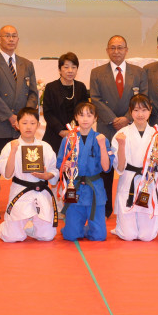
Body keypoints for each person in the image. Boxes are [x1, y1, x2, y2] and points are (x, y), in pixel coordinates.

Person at [0, 25, 38, 217]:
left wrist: (24, 119)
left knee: (26, 167)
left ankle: (27, 206)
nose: (11, 39)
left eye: (14, 36)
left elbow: (33, 93)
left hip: (23, 127)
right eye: (7, 36)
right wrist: (12, 117)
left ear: (18, 39)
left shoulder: (26, 64)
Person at [89, 35, 148, 217]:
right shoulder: (97, 72)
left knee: (132, 165)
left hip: (132, 126)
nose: (116, 51)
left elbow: (143, 98)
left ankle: (134, 203)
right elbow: (95, 99)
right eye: (112, 48)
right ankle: (106, 207)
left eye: (120, 47)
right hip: (107, 126)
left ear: (126, 50)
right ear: (107, 50)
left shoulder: (138, 72)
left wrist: (127, 118)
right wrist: (113, 119)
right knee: (106, 169)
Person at [111, 95, 158, 242]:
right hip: (129, 182)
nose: (140, 114)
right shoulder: (122, 134)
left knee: (147, 237)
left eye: (144, 110)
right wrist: (121, 145)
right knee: (129, 236)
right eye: (136, 110)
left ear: (150, 110)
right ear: (130, 111)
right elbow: (120, 168)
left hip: (149, 182)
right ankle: (120, 227)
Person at [0, 107, 58, 242]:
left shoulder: (45, 147)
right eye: (24, 123)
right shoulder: (10, 146)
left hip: (41, 192)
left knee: (47, 236)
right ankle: (4, 227)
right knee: (12, 237)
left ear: (38, 125)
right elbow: (7, 174)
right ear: (17, 125)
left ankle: (30, 226)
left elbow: (54, 171)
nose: (28, 127)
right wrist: (13, 151)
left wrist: (46, 176)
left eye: (32, 123)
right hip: (20, 192)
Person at [56, 102, 111, 241]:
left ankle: (86, 229)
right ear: (76, 117)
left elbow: (106, 168)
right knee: (71, 236)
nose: (85, 119)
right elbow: (60, 165)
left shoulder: (101, 139)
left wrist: (102, 147)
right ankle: (72, 228)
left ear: (95, 118)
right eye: (81, 115)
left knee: (99, 236)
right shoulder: (68, 139)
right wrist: (65, 166)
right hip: (74, 188)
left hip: (94, 189)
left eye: (89, 115)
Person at [42, 52, 89, 154]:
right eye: (66, 67)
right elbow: (48, 113)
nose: (70, 70)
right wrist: (61, 131)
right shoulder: (51, 87)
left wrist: (76, 130)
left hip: (77, 134)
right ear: (60, 70)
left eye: (74, 67)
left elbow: (85, 111)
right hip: (55, 134)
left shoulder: (81, 87)